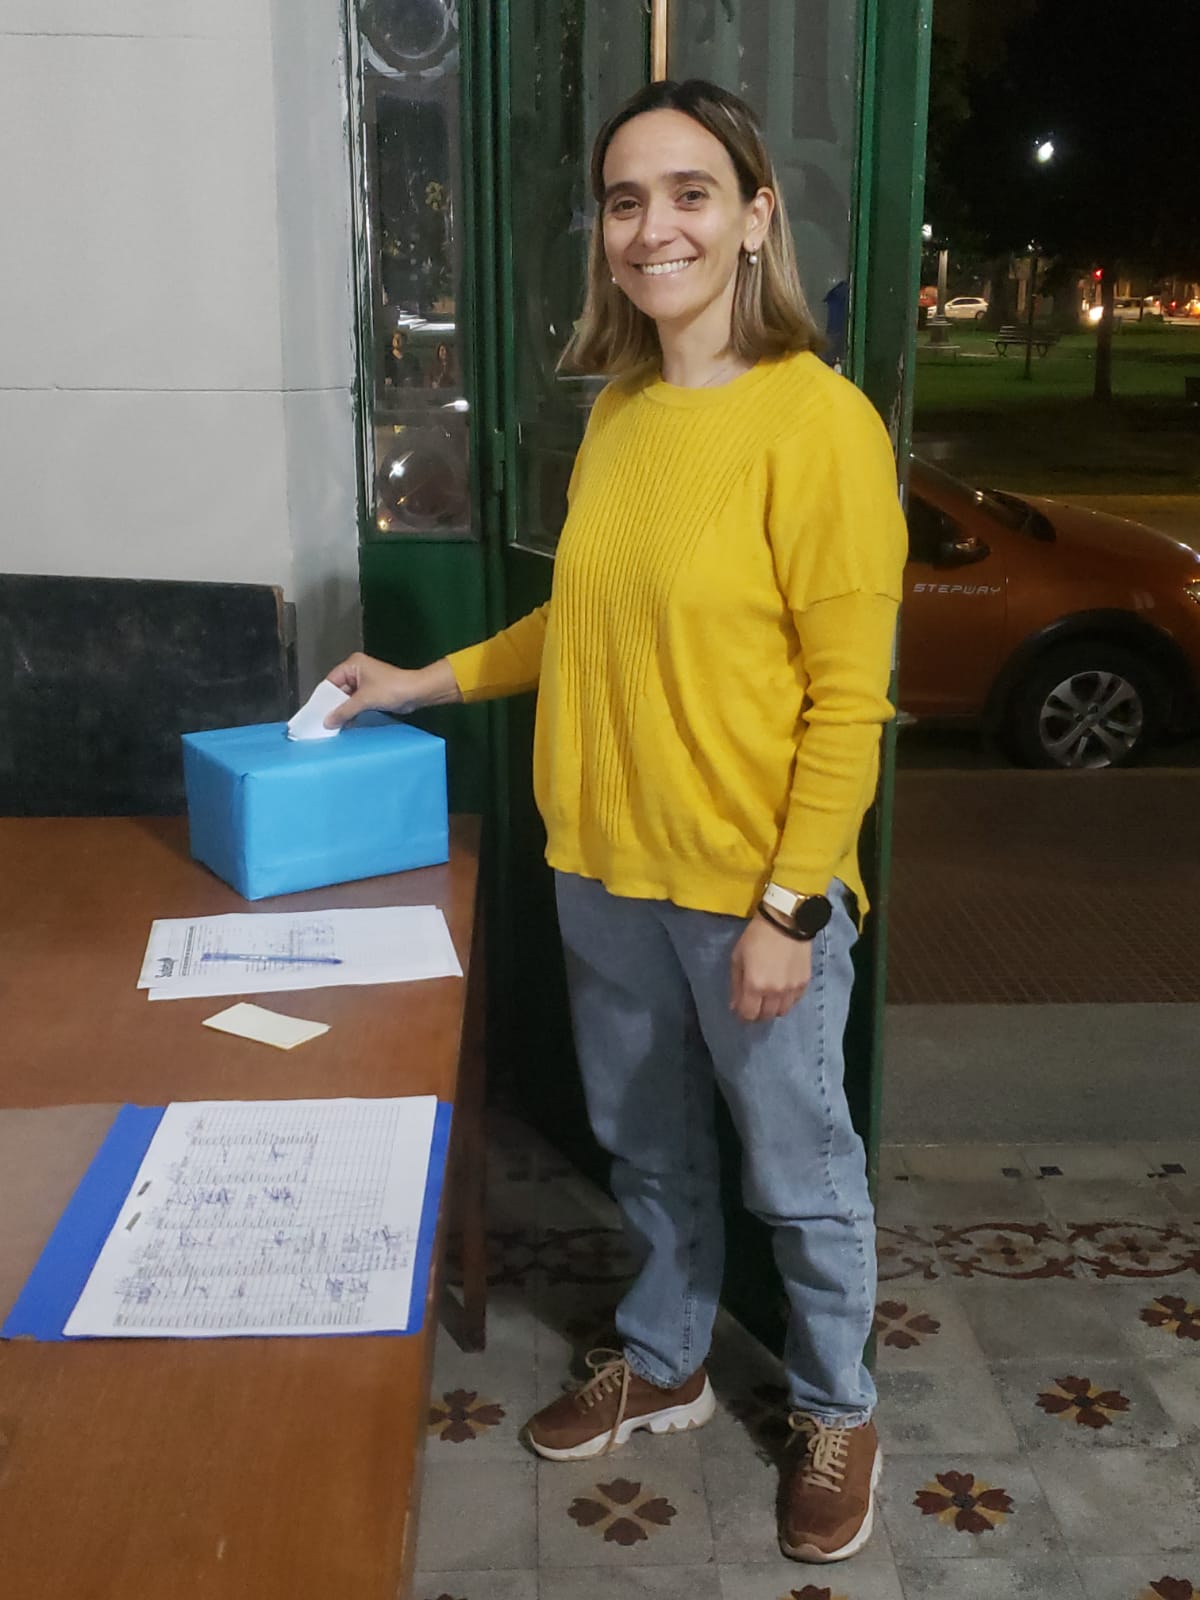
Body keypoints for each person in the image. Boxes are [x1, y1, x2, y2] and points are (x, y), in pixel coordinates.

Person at [324, 78, 906, 1566]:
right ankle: (668, 1356)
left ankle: (839, 1406)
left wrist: (791, 906)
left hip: (749, 891)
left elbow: (851, 704)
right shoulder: (627, 411)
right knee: (646, 1149)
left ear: (756, 215)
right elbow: (574, 622)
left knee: (800, 1176)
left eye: (691, 193)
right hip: (601, 869)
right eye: (626, 200)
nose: (655, 228)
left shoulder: (820, 425)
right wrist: (421, 681)